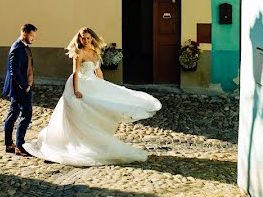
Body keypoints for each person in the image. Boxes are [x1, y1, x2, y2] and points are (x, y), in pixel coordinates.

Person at [23, 27, 161, 166]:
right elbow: (76, 73)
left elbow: (98, 70)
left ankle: (94, 139)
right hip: (78, 84)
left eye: (88, 38)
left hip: (92, 82)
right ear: (79, 39)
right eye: (83, 38)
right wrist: (76, 90)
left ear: (92, 38)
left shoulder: (95, 51)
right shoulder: (79, 52)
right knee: (77, 113)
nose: (86, 40)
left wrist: (103, 86)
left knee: (100, 107)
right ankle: (73, 142)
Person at [3, 23, 37, 157]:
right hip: (20, 89)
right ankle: (19, 146)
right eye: (32, 35)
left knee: (13, 115)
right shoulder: (17, 48)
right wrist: (25, 86)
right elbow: (14, 71)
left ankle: (9, 144)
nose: (33, 38)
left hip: (23, 87)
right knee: (26, 115)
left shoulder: (24, 46)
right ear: (24, 33)